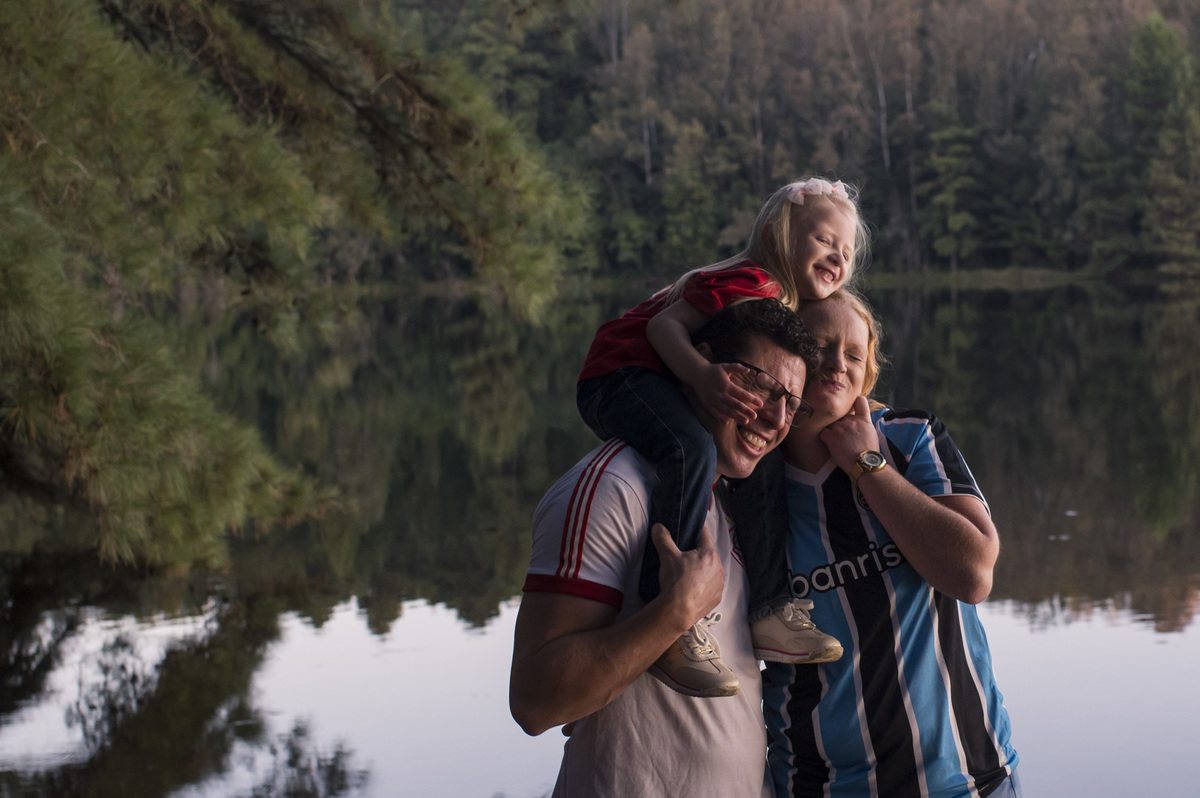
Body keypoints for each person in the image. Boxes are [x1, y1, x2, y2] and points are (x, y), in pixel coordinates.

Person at [510, 299, 816, 797]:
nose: (774, 417)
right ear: (699, 364)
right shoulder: (612, 488)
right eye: (759, 384)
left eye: (791, 403)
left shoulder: (740, 505)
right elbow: (535, 702)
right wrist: (673, 613)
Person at [575, 177, 868, 696]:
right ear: (781, 234)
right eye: (824, 240)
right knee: (692, 448)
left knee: (764, 462)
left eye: (846, 250)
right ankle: (667, 614)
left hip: (664, 375)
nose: (838, 256)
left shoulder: (783, 306)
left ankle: (770, 610)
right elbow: (663, 328)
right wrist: (700, 375)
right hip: (619, 374)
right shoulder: (756, 282)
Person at [756, 289, 1022, 797]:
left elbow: (972, 575)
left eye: (854, 354)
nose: (837, 363)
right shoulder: (750, 487)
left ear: (868, 374)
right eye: (817, 346)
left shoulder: (911, 438)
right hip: (826, 788)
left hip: (968, 782)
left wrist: (867, 467)